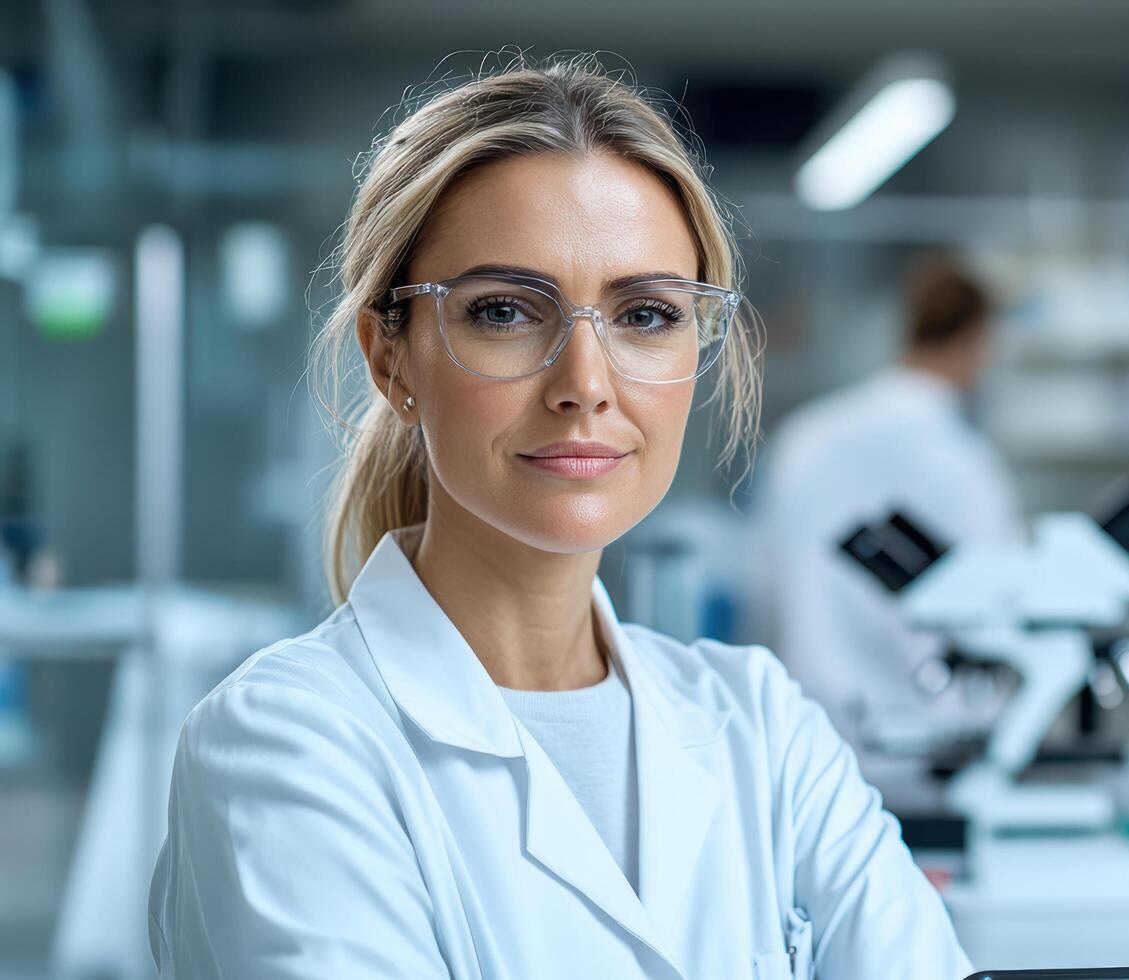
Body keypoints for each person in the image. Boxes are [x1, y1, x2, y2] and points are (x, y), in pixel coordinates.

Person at [146, 55, 972, 980]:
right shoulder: (288, 745)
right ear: (391, 360)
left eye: (646, 314)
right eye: (505, 311)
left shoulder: (762, 728)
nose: (586, 385)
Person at [755, 257, 1024, 767]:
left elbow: (767, 578)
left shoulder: (807, 436)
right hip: (929, 743)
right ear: (979, 339)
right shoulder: (960, 459)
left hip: (807, 733)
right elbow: (999, 601)